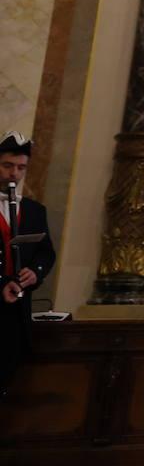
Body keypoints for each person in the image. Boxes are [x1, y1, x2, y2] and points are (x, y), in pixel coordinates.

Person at [0, 132, 57, 397]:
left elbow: (46, 254)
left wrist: (35, 273)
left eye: (21, 168)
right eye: (7, 166)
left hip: (16, 313)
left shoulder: (34, 210)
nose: (14, 174)